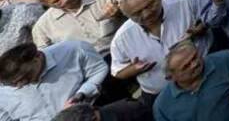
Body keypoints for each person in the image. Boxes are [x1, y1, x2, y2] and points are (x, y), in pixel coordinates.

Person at [0, 39, 147, 121]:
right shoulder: (6, 88)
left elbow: (99, 70)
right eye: (14, 84)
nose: (19, 85)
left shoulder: (74, 49)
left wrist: (82, 94)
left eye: (24, 78)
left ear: (37, 57)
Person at [109, 0, 210, 102]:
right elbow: (117, 71)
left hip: (205, 76)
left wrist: (203, 27)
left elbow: (212, 18)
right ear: (127, 16)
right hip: (162, 96)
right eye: (137, 14)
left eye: (150, 5)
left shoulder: (187, 1)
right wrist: (134, 69)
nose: (146, 14)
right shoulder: (122, 38)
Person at [152, 42, 229, 121]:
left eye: (195, 57)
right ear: (171, 77)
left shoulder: (225, 59)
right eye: (186, 66)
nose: (195, 64)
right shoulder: (162, 106)